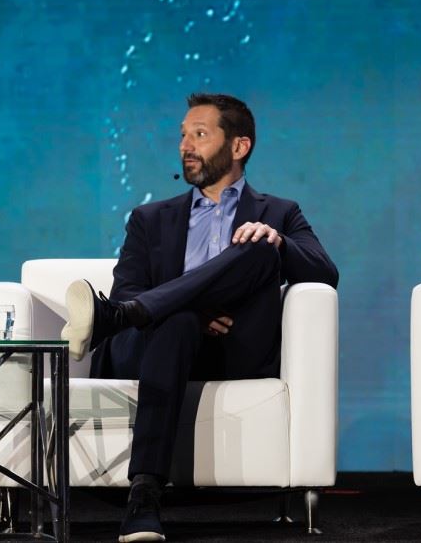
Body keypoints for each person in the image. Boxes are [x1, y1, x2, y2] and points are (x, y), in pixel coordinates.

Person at [60, 93, 339, 542]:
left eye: (200, 135)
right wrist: (193, 310)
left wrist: (280, 243)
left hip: (232, 351)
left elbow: (326, 273)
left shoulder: (278, 213)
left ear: (239, 146)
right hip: (156, 347)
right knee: (178, 322)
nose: (185, 145)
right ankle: (144, 496)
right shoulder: (150, 218)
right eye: (183, 136)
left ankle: (118, 319)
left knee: (262, 248)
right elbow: (128, 286)